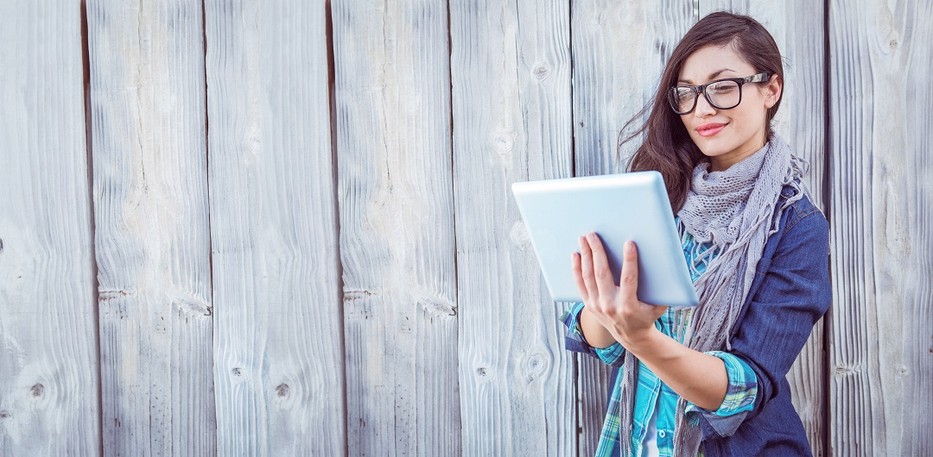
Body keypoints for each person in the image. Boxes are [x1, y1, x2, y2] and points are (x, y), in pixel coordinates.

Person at [560, 12, 831, 457]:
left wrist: (641, 335)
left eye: (723, 87)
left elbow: (746, 388)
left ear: (771, 88)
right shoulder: (656, 191)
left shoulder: (798, 227)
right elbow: (593, 338)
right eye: (686, 93)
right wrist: (604, 309)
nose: (701, 109)